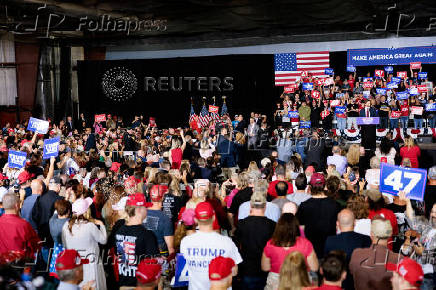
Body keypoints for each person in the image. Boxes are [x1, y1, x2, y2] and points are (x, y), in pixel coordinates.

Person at [180, 202, 242, 290]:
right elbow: (234, 272)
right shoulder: (226, 242)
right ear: (213, 218)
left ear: (196, 220)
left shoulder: (186, 242)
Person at [113, 193, 160, 288]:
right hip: (142, 285)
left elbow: (117, 255)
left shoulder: (119, 231)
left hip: (123, 284)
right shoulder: (147, 235)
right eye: (145, 207)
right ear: (139, 210)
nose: (146, 210)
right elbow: (153, 264)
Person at [262, 213, 318, 290]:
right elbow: (314, 267)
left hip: (276, 282)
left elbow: (265, 268)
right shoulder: (305, 243)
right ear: (295, 227)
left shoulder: (270, 244)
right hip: (300, 280)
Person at [62, 197, 107, 290]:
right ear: (87, 211)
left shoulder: (66, 226)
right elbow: (103, 240)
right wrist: (102, 225)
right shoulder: (90, 226)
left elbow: (65, 245)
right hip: (91, 265)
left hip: (75, 265)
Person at [235, 191, 276, 290]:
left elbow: (237, 248)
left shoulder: (242, 224)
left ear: (251, 206)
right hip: (265, 269)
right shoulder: (272, 225)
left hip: (247, 269)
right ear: (265, 206)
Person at [324, 209, 372, 289]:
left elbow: (327, 264)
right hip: (359, 284)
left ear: (337, 224)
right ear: (355, 223)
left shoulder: (330, 241)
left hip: (338, 283)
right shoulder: (366, 239)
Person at [349, 218, 401, 290]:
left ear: (371, 234)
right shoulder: (399, 260)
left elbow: (352, 272)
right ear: (390, 234)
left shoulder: (357, 254)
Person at [297, 173, 339, 258]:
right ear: (324, 186)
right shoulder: (334, 205)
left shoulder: (304, 206)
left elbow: (300, 229)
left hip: (310, 251)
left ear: (310, 186)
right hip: (328, 251)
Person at [0, 193, 40, 258]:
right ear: (16, 205)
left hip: (3, 262)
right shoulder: (23, 225)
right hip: (18, 263)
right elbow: (35, 245)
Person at [143, 184, 175, 255]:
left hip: (143, 253)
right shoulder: (165, 219)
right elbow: (170, 248)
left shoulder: (142, 213)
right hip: (159, 255)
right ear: (163, 197)